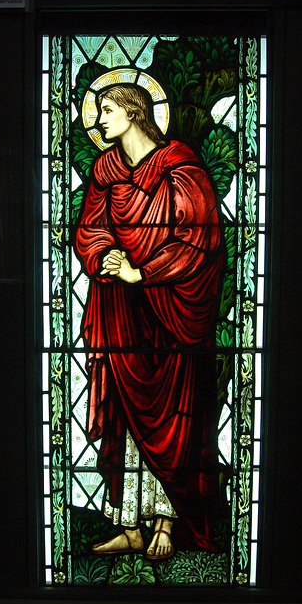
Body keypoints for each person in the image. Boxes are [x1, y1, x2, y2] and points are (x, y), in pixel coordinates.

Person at [75, 84, 224, 559]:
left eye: (107, 111)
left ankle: (166, 522)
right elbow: (90, 229)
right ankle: (131, 525)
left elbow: (198, 241)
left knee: (175, 417)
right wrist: (104, 257)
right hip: (122, 310)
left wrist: (144, 271)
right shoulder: (106, 170)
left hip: (171, 310)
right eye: (97, 113)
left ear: (136, 113)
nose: (98, 122)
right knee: (125, 411)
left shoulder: (181, 168)